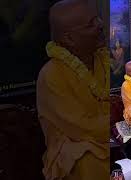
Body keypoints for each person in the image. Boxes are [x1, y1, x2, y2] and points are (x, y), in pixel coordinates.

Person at [36, 0, 109, 179]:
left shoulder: (103, 59)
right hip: (75, 144)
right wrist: (120, 127)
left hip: (108, 134)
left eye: (98, 18)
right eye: (91, 23)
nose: (100, 25)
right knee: (89, 161)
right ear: (69, 38)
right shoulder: (51, 75)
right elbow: (80, 126)